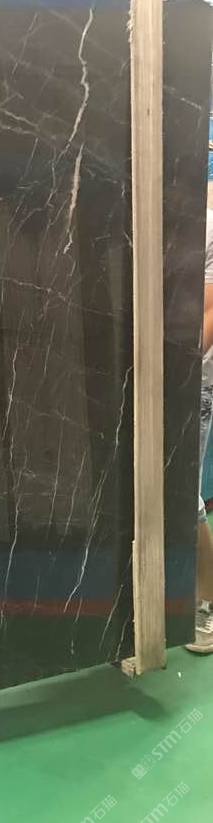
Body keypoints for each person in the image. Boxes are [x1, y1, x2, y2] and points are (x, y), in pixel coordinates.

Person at [186, 203, 213, 653]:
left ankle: (206, 604)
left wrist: (176, 370)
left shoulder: (204, 225)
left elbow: (210, 310)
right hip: (135, 372)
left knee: (183, 494)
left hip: (193, 376)